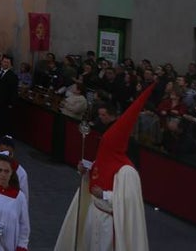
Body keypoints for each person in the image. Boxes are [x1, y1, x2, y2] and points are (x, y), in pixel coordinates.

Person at [53, 83, 154, 251]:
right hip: (94, 212)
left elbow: (128, 202)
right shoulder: (104, 159)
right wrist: (86, 172)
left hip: (110, 221)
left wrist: (105, 194)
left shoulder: (127, 172)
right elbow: (95, 174)